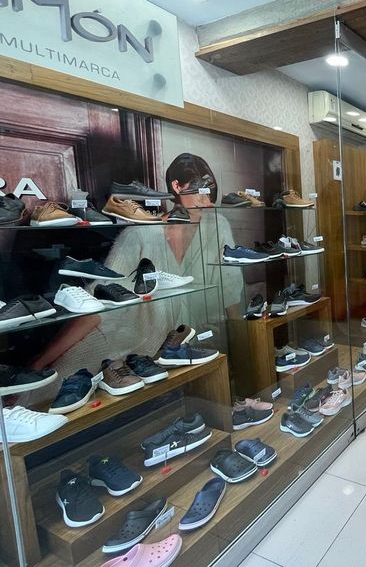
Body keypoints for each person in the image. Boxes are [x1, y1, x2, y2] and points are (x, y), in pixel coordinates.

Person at [27, 153, 243, 400]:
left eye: (209, 193)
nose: (207, 202)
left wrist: (240, 340)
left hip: (189, 337)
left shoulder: (217, 226)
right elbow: (99, 300)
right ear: (176, 186)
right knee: (48, 387)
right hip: (133, 335)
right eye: (199, 192)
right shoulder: (139, 234)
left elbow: (231, 289)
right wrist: (41, 360)